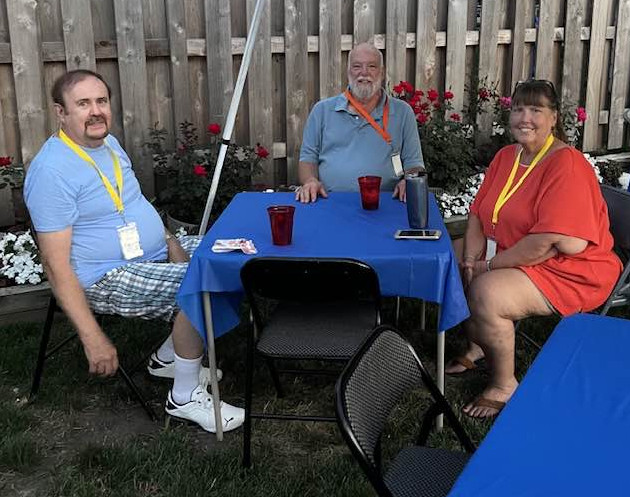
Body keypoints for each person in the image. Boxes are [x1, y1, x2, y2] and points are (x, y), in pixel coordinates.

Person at [23, 69, 244, 434]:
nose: (96, 111)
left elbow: (134, 202)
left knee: (231, 255)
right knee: (205, 282)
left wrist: (171, 242)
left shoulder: (107, 144)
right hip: (103, 275)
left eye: (101, 101)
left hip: (148, 254)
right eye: (82, 104)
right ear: (60, 113)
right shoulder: (52, 172)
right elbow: (55, 264)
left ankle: (170, 356)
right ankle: (185, 396)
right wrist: (93, 338)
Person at [446, 80, 621, 418]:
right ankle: (479, 343)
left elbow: (549, 244)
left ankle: (504, 383)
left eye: (535, 110)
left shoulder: (566, 164)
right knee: (449, 259)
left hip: (571, 269)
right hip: (517, 250)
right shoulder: (506, 156)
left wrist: (485, 266)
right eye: (518, 109)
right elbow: (479, 215)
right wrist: (469, 257)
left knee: (485, 292)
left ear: (553, 117)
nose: (525, 118)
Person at [296, 42, 424, 203]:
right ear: (348, 71)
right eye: (357, 66)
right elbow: (308, 159)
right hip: (329, 202)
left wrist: (410, 182)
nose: (364, 73)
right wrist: (310, 181)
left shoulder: (402, 112)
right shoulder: (321, 111)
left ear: (382, 73)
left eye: (372, 66)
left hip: (387, 203)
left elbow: (414, 164)